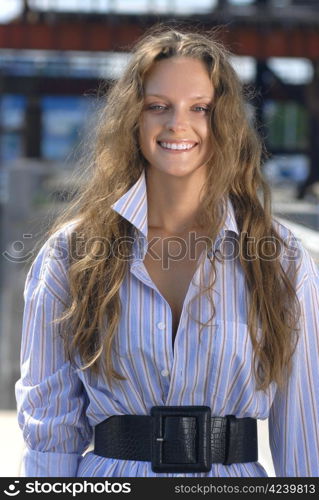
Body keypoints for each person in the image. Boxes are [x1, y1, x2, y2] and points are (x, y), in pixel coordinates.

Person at [15, 25, 319, 478]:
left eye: (200, 108)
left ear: (224, 122)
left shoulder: (282, 257)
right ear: (133, 118)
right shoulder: (71, 253)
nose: (178, 123)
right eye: (158, 106)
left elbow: (305, 434)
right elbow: (50, 427)